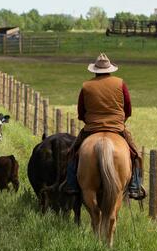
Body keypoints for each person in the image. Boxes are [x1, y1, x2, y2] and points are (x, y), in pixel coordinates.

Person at [63, 53, 146, 200]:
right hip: (117, 127)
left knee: (72, 153)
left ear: (94, 70)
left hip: (91, 128)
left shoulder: (86, 86)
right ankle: (135, 186)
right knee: (136, 155)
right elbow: (128, 109)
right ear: (110, 70)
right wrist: (120, 121)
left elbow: (81, 113)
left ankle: (71, 184)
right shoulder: (120, 83)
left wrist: (92, 121)